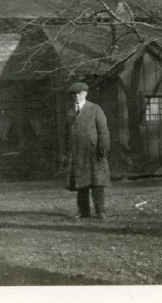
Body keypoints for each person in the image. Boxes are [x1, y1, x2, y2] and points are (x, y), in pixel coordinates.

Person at [62, 82, 111, 220]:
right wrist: (66, 154)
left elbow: (103, 131)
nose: (76, 96)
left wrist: (103, 148)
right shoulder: (70, 113)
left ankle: (100, 211)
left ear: (85, 94)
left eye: (79, 93)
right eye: (74, 94)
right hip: (77, 154)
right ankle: (83, 211)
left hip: (94, 153)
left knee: (97, 184)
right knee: (81, 184)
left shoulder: (95, 109)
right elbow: (65, 135)